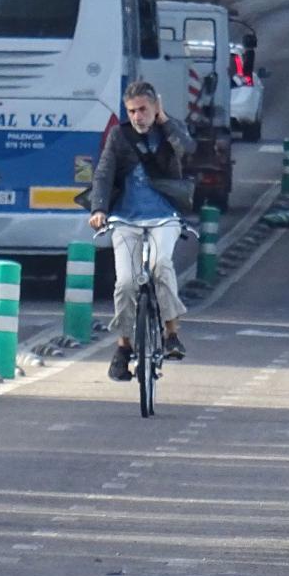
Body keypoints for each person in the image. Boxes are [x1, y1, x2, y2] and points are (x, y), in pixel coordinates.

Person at [88, 81, 197, 381]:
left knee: (161, 265)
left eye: (143, 110)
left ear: (155, 107)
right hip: (125, 219)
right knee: (124, 283)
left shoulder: (169, 129)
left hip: (164, 216)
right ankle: (123, 347)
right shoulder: (118, 136)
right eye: (132, 111)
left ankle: (171, 332)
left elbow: (188, 149)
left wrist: (165, 121)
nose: (138, 116)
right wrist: (99, 209)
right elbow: (104, 173)